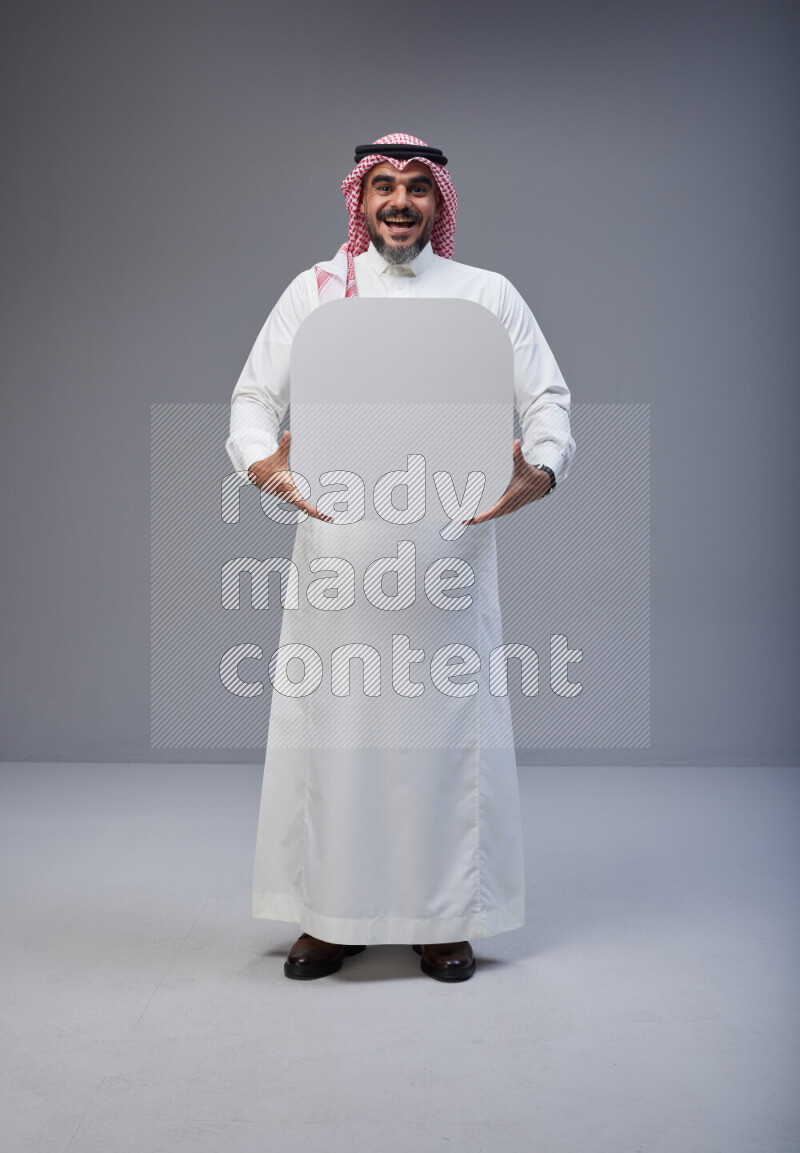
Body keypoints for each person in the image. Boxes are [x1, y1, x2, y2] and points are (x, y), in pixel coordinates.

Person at [225, 133, 575, 982]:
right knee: (337, 736)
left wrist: (543, 469)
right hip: (340, 557)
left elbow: (548, 401)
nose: (400, 202)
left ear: (439, 202)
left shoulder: (487, 296)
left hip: (448, 557)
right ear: (360, 196)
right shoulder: (315, 291)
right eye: (383, 185)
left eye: (417, 187)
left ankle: (443, 917)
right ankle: (331, 917)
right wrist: (267, 467)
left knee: (444, 739)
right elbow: (252, 400)